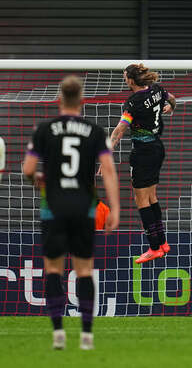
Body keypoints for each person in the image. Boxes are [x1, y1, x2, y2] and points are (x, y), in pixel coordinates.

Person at [22, 75, 120, 350]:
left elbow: (28, 169)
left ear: (59, 99)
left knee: (53, 269)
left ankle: (58, 334)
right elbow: (109, 171)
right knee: (85, 270)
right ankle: (87, 335)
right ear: (82, 100)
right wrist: (115, 208)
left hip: (53, 205)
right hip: (83, 206)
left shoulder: (44, 129)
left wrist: (38, 179)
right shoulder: (94, 131)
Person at [108, 64, 176, 264]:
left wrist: (106, 152)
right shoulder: (157, 89)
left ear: (130, 80)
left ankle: (154, 247)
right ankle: (162, 242)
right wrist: (170, 107)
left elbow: (120, 129)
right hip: (157, 148)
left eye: (124, 76)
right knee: (152, 196)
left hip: (143, 153)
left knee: (141, 200)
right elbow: (172, 99)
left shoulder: (133, 101)